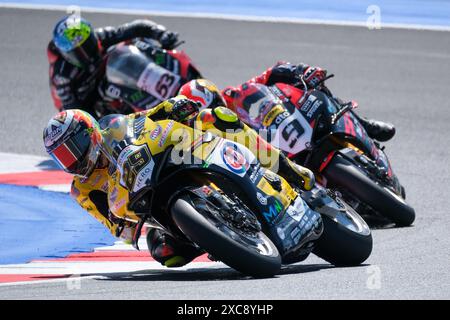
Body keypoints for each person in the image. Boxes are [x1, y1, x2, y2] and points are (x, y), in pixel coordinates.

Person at [43, 96, 316, 268]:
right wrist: (125, 228)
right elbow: (112, 224)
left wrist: (172, 106)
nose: (72, 160)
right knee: (165, 253)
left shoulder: (113, 129)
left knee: (217, 118)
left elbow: (147, 117)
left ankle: (288, 169)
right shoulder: (82, 189)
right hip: (146, 208)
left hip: (163, 160)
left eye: (73, 148)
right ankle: (218, 238)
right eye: (62, 157)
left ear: (89, 133)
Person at [180, 62, 396, 142]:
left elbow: (266, 77)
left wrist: (299, 72)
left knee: (311, 88)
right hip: (271, 158)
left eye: (213, 106)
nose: (213, 114)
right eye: (205, 114)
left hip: (286, 128)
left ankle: (364, 125)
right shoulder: (207, 139)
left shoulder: (233, 96)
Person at [47, 15, 189, 116]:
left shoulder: (100, 36)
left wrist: (162, 34)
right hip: (88, 100)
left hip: (107, 73)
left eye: (87, 45)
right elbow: (72, 110)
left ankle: (176, 78)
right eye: (76, 53)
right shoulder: (62, 75)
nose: (85, 54)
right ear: (66, 55)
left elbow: (136, 27)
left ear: (92, 37)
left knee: (133, 47)